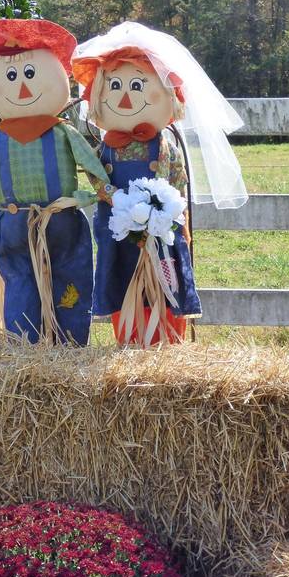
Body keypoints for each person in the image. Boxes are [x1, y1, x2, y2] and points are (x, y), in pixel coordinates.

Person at [72, 22, 248, 345]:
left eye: (137, 86)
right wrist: (112, 196)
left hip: (160, 232)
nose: (124, 97)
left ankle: (166, 338)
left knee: (166, 280)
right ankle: (128, 335)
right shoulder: (104, 148)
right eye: (114, 86)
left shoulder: (165, 147)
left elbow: (177, 182)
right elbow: (96, 176)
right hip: (118, 231)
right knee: (120, 278)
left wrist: (168, 214)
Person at [0, 19, 109, 344]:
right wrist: (96, 195)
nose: (22, 86)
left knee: (30, 281)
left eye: (30, 75)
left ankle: (37, 347)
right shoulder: (54, 134)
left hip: (26, 222)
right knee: (54, 279)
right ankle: (54, 345)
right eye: (12, 77)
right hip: (51, 222)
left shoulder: (0, 141)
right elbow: (96, 172)